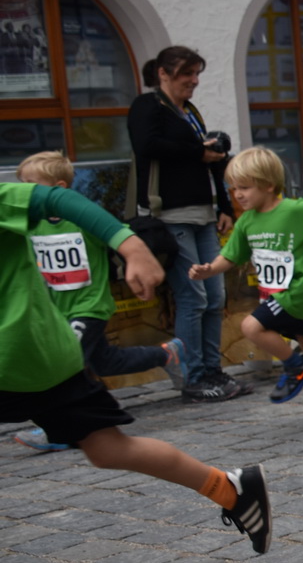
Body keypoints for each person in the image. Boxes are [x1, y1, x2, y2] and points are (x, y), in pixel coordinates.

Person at [1, 177, 272, 551]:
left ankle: (227, 487)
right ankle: (231, 489)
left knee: (109, 447)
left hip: (34, 358)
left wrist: (133, 248)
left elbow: (58, 198)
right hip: (33, 360)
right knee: (107, 450)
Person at [12, 151, 188, 452]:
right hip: (55, 311)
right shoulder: (30, 225)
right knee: (104, 361)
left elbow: (118, 239)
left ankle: (60, 430)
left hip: (88, 307)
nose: (26, 194)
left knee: (66, 364)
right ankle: (166, 354)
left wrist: (135, 262)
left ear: (59, 188)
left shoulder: (83, 220)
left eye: (32, 186)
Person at [186, 147, 303, 411]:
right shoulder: (246, 222)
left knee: (251, 327)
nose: (238, 194)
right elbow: (231, 256)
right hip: (274, 291)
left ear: (268, 185)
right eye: (233, 189)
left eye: (244, 187)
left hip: (298, 287)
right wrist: (209, 270)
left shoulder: (296, 211)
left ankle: (296, 367)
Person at [127, 45, 247, 402]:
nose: (193, 82)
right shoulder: (148, 106)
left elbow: (212, 160)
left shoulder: (189, 111)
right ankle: (193, 376)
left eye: (197, 75)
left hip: (203, 213)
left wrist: (224, 204)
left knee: (215, 295)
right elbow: (146, 144)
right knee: (192, 297)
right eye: (187, 75)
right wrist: (198, 151)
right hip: (170, 215)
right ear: (164, 74)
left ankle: (212, 369)